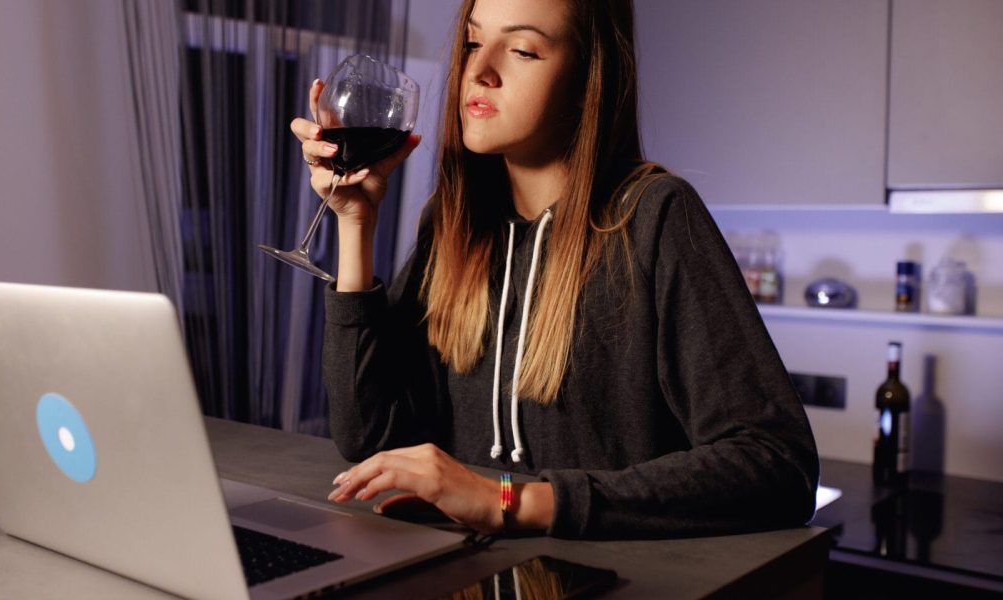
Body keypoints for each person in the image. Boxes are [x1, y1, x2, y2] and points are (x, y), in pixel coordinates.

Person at [289, 0, 818, 539]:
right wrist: (355, 225)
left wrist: (510, 500)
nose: (480, 69)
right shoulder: (451, 224)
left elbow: (777, 463)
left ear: (587, 75)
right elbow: (372, 439)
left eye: (522, 49)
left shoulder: (654, 217)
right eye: (473, 41)